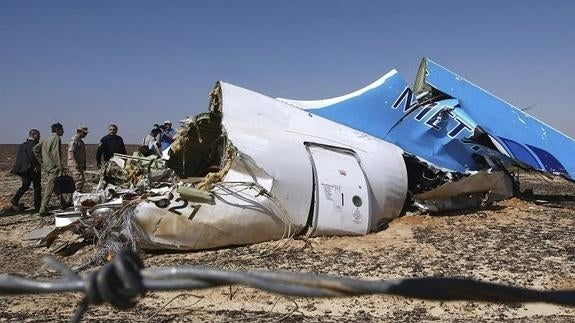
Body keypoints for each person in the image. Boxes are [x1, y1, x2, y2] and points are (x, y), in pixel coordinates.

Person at [33, 123, 66, 216]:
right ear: (57, 130)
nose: (63, 131)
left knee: (54, 185)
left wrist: (42, 160)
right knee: (50, 187)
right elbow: (56, 154)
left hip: (48, 166)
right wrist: (60, 166)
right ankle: (43, 208)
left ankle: (63, 203)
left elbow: (35, 149)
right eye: (62, 130)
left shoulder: (45, 139)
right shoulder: (56, 138)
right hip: (53, 167)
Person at [10, 129, 42, 212]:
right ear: (34, 135)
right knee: (37, 187)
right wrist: (36, 165)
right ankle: (38, 206)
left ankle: (15, 199)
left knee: (25, 186)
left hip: (23, 169)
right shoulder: (34, 144)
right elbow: (32, 155)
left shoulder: (23, 144)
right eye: (38, 135)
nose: (39, 137)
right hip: (32, 169)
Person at [68, 126, 88, 193]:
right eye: (84, 133)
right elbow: (71, 152)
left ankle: (76, 196)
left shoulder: (81, 141)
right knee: (78, 180)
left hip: (80, 165)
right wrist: (75, 163)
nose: (85, 135)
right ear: (79, 132)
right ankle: (74, 198)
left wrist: (84, 164)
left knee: (80, 181)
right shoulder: (74, 140)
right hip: (75, 165)